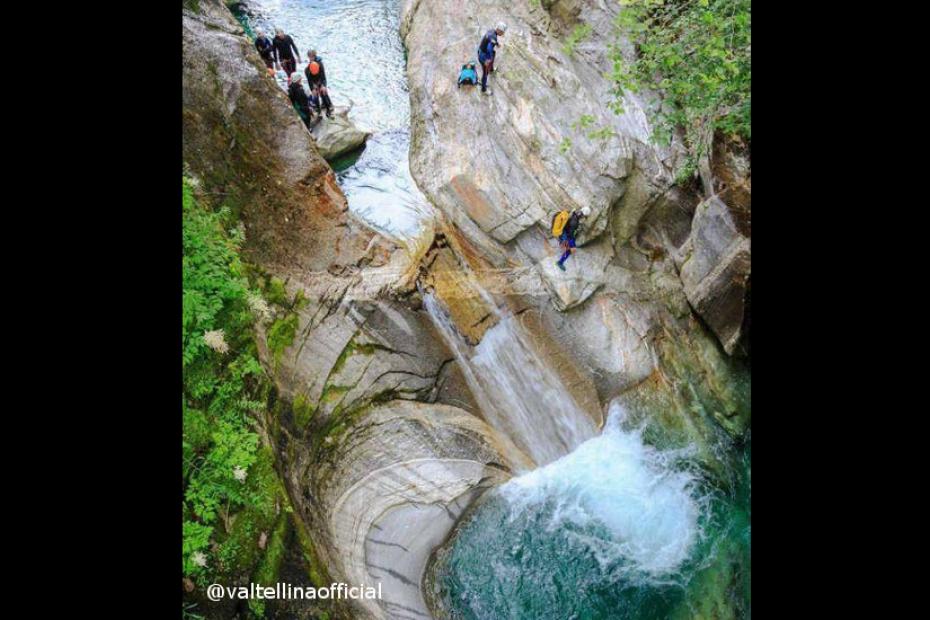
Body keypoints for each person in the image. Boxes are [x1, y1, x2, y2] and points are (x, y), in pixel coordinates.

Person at [556, 206, 591, 271]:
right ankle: (560, 262)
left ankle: (560, 261)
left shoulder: (574, 213)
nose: (584, 218)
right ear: (583, 215)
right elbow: (570, 233)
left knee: (571, 248)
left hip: (564, 233)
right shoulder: (575, 221)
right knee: (571, 249)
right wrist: (572, 241)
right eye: (585, 217)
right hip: (565, 235)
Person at [477, 22, 506, 95]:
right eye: (502, 32)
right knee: (485, 73)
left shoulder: (492, 31)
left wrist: (496, 44)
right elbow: (489, 48)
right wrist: (488, 59)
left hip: (481, 50)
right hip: (483, 56)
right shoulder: (493, 37)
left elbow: (491, 40)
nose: (503, 34)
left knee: (493, 53)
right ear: (499, 30)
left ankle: (491, 69)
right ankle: (484, 90)